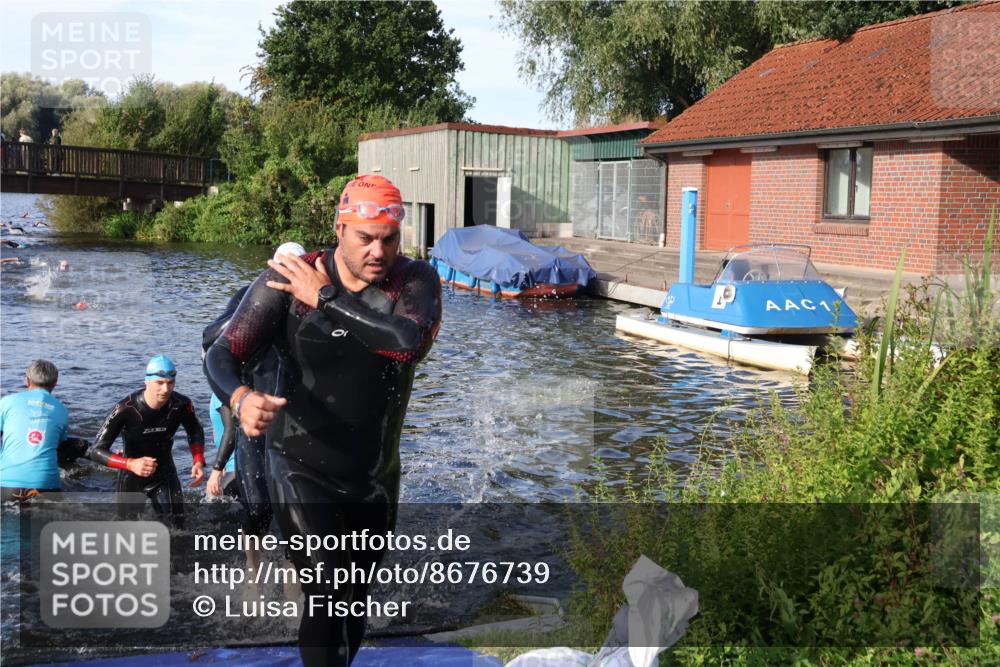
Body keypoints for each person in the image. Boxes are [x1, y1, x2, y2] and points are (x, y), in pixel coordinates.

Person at [204, 174, 442, 666]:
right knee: (326, 586)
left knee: (353, 602)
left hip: (374, 477)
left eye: (389, 239)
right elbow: (221, 352)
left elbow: (406, 344)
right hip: (298, 466)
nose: (379, 251)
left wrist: (328, 299)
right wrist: (240, 396)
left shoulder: (414, 281)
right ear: (339, 229)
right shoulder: (288, 281)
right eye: (365, 238)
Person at [90, 355, 205, 527]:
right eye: (159, 383)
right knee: (127, 531)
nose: (166, 389)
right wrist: (130, 464)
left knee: (178, 529)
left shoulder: (181, 404)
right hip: (131, 477)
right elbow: (96, 450)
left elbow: (195, 430)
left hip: (164, 473)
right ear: (147, 382)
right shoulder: (126, 408)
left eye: (170, 382)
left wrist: (198, 460)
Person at [0, 360, 90, 502]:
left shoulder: (7, 402)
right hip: (46, 486)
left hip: (6, 485)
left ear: (27, 380)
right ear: (55, 382)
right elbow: (58, 444)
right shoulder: (61, 409)